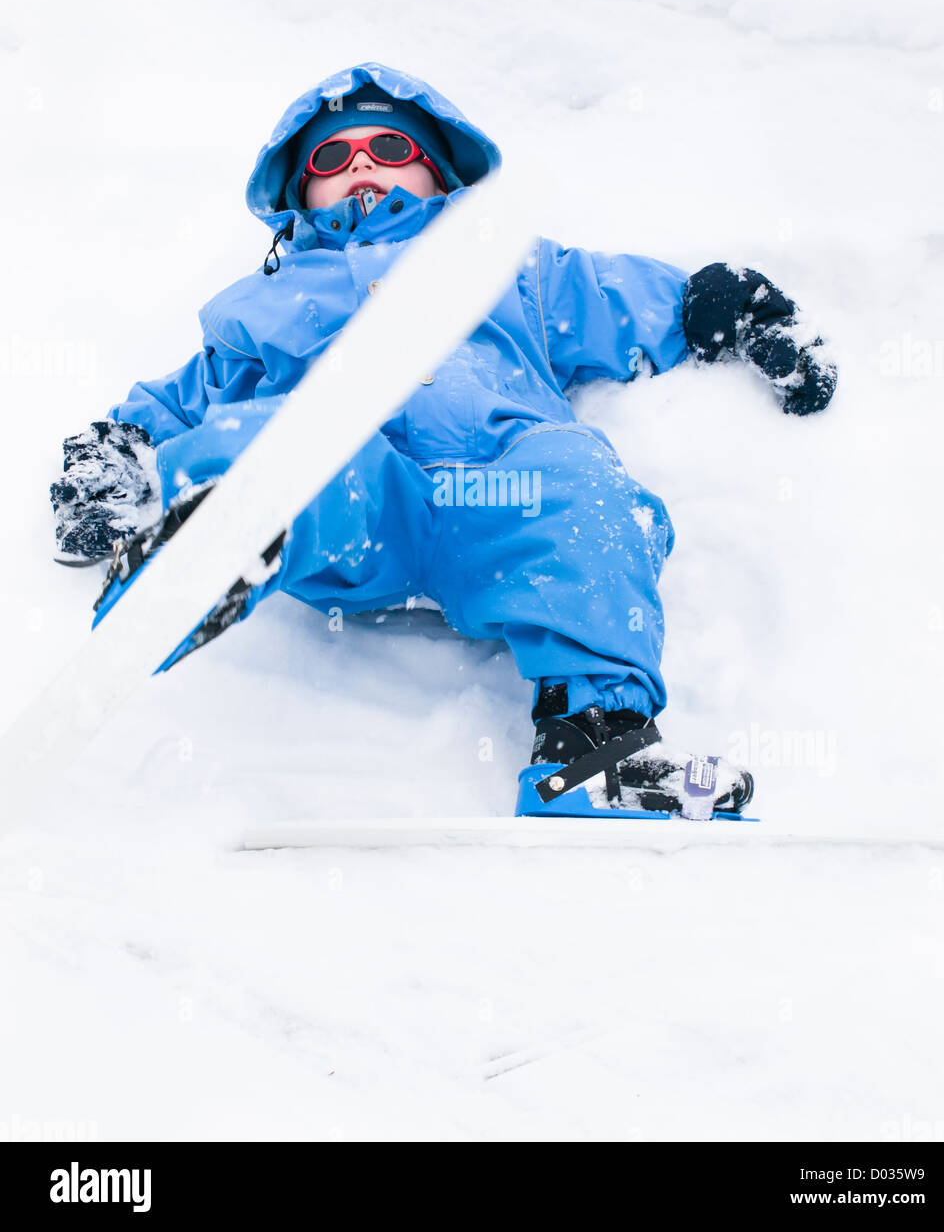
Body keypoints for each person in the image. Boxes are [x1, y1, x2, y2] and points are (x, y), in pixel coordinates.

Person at [50, 62, 836, 817]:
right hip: (357, 500)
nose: (364, 166)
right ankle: (202, 555)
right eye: (333, 156)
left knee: (578, 483)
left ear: (437, 173)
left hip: (501, 494)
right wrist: (106, 463)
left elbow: (621, 301)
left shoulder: (511, 266)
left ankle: (595, 750)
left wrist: (734, 310)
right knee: (277, 443)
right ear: (301, 189)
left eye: (390, 149)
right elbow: (178, 401)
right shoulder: (263, 305)